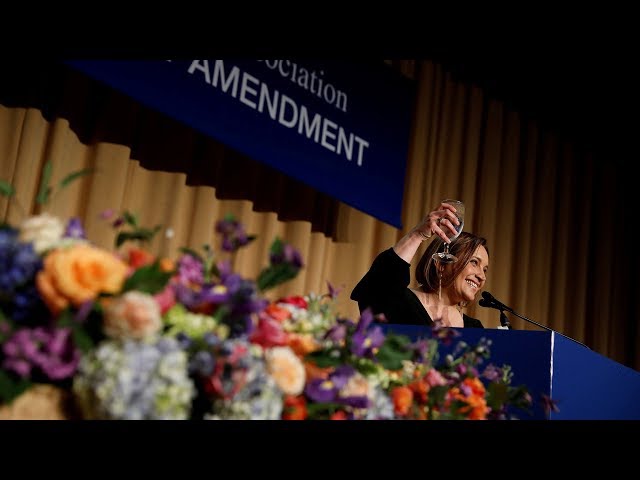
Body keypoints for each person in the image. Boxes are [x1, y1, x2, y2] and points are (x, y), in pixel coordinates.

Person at [350, 201, 488, 328]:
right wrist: (417, 235)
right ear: (441, 264)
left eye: (485, 269)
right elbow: (374, 292)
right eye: (474, 262)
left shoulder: (475, 328)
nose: (482, 276)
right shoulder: (402, 303)